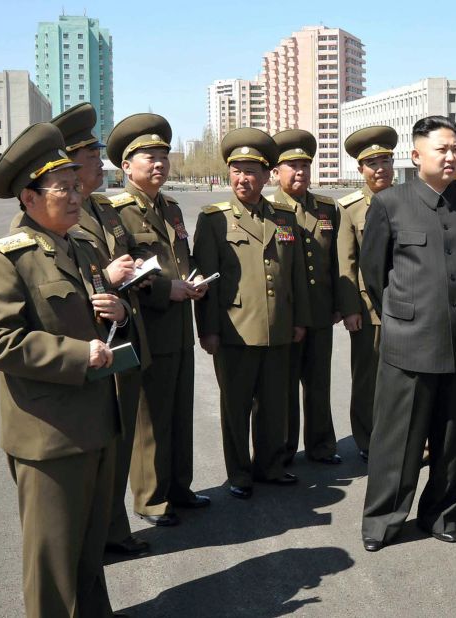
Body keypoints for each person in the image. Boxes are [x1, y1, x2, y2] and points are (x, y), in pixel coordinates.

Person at [0, 122, 129, 617]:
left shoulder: (81, 249)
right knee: (53, 559)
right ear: (30, 197)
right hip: (50, 436)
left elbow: (98, 316)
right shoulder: (5, 260)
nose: (77, 195)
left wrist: (119, 312)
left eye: (76, 185)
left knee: (87, 552)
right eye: (63, 188)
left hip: (97, 422)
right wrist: (78, 355)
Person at [358, 115, 456, 551]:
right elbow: (374, 273)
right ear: (416, 156)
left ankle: (443, 515)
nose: (452, 156)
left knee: (454, 443)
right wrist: (403, 317)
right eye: (442, 149)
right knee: (398, 442)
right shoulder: (390, 204)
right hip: (409, 343)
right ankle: (383, 522)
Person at [49, 103, 152, 556]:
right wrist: (107, 277)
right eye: (91, 156)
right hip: (93, 343)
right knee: (101, 445)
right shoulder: (65, 218)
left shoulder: (106, 207)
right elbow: (73, 279)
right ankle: (103, 532)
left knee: (120, 440)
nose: (99, 162)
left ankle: (113, 527)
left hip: (121, 334)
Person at [193, 128, 311, 499]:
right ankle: (239, 473)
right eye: (236, 171)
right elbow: (207, 280)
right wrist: (207, 330)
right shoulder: (214, 219)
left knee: (274, 404)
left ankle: (270, 466)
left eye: (251, 171)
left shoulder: (283, 217)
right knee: (236, 407)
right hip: (234, 330)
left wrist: (300, 319)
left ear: (266, 176)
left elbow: (296, 277)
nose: (243, 178)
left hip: (278, 327)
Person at [108, 113, 209, 527]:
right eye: (148, 157)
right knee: (150, 417)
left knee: (179, 412)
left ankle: (179, 487)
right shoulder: (114, 211)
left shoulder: (169, 206)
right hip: (147, 327)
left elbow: (177, 258)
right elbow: (125, 271)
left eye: (164, 157)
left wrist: (192, 281)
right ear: (126, 166)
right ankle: (151, 498)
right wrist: (169, 289)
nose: (159, 164)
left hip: (179, 325)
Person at [271, 129, 342, 465]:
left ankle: (322, 445)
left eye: (304, 165)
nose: (299, 172)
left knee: (319, 384)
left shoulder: (327, 208)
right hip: (284, 314)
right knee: (283, 388)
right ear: (276, 172)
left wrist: (340, 305)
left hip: (319, 311)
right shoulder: (269, 209)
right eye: (291, 166)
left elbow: (338, 260)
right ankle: (284, 449)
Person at [336, 125, 399, 461]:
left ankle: (401, 435)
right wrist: (351, 309)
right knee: (367, 379)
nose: (380, 168)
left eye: (385, 160)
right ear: (360, 169)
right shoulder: (350, 209)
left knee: (405, 377)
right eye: (372, 163)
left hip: (409, 305)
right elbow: (346, 263)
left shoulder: (411, 199)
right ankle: (367, 438)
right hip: (369, 307)